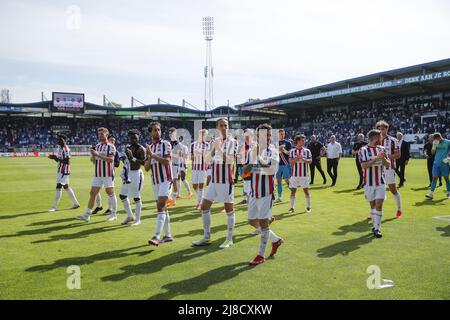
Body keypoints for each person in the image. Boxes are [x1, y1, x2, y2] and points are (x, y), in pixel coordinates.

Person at [192, 118, 238, 249]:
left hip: (225, 180)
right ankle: (206, 237)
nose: (224, 127)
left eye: (226, 125)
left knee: (229, 209)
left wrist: (218, 149)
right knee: (204, 207)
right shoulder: (215, 141)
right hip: (214, 180)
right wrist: (212, 150)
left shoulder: (233, 142)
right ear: (217, 127)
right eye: (221, 125)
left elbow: (230, 161)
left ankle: (229, 239)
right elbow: (207, 159)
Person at [244, 123, 284, 265]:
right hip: (254, 192)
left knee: (263, 223)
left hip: (266, 192)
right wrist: (252, 164)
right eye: (262, 134)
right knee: (251, 221)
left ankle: (260, 255)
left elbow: (271, 170)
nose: (266, 137)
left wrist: (257, 161)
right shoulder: (251, 151)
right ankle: (276, 240)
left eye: (268, 134)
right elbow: (245, 170)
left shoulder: (272, 150)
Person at [76, 127, 117, 222]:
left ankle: (114, 214)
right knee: (92, 193)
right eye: (99, 134)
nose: (100, 135)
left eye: (102, 134)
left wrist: (97, 154)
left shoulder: (111, 146)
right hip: (98, 174)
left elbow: (111, 160)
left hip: (107, 174)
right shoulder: (97, 146)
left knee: (110, 193)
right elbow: (94, 161)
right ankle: (87, 214)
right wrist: (93, 156)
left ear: (107, 135)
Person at [144, 122, 174, 246]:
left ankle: (156, 236)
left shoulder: (166, 144)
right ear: (151, 132)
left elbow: (167, 161)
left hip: (166, 179)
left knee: (160, 205)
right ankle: (168, 235)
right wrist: (149, 157)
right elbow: (146, 168)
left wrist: (153, 155)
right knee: (163, 208)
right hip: (155, 181)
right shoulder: (150, 147)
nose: (157, 132)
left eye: (159, 130)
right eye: (155, 130)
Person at [359, 129, 391, 238]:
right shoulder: (363, 150)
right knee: (372, 205)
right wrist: (376, 158)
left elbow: (388, 165)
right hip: (368, 182)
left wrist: (383, 159)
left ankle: (377, 229)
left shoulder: (382, 149)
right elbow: (364, 166)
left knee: (379, 204)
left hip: (380, 182)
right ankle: (374, 225)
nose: (382, 138)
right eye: (380, 136)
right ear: (375, 138)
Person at [118, 129, 146, 226]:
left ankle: (138, 219)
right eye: (131, 138)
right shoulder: (128, 147)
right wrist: (123, 158)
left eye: (135, 137)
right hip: (128, 173)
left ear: (138, 138)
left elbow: (144, 162)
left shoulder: (141, 149)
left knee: (136, 197)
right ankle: (130, 216)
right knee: (122, 195)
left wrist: (132, 158)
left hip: (137, 174)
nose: (133, 139)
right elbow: (126, 160)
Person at [377, 121, 403, 218]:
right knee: (376, 189)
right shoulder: (375, 140)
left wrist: (386, 156)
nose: (380, 131)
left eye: (382, 129)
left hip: (389, 167)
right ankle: (374, 211)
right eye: (379, 129)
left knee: (392, 189)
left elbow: (398, 155)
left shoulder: (393, 140)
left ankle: (399, 209)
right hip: (377, 168)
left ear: (387, 129)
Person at [48, 134, 80, 211]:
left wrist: (56, 158)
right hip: (60, 169)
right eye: (58, 139)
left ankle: (54, 207)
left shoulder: (66, 149)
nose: (59, 141)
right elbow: (59, 159)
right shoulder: (59, 148)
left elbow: (68, 161)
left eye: (61, 140)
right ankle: (76, 204)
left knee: (58, 186)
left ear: (65, 141)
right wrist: (53, 158)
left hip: (64, 170)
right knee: (66, 187)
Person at [92, 134, 120, 215]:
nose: (112, 142)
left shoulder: (115, 151)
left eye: (114, 141)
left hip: (109, 173)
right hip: (100, 172)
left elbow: (117, 164)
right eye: (111, 140)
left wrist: (106, 159)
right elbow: (94, 161)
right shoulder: (100, 147)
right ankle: (99, 205)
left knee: (109, 192)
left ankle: (110, 208)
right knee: (95, 191)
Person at [288, 134, 312, 213]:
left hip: (304, 175)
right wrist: (297, 159)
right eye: (302, 140)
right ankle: (292, 207)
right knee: (293, 191)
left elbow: (310, 161)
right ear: (298, 141)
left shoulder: (307, 151)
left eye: (304, 140)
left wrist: (303, 159)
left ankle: (308, 207)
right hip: (294, 175)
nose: (304, 142)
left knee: (306, 190)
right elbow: (290, 162)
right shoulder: (292, 151)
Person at [426, 132, 450, 200]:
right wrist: (434, 147)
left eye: (435, 139)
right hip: (436, 163)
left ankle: (448, 192)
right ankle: (431, 193)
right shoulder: (435, 142)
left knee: (446, 178)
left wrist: (448, 157)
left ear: (439, 137)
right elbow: (432, 153)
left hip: (444, 163)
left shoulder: (448, 142)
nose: (435, 141)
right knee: (434, 178)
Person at [191, 129, 210, 210]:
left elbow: (208, 156)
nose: (202, 136)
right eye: (201, 134)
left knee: (201, 185)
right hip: (195, 168)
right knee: (195, 186)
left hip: (203, 168)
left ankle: (199, 203)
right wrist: (194, 156)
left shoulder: (207, 145)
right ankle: (202, 198)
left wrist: (203, 155)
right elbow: (191, 157)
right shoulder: (193, 144)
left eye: (204, 135)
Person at [275, 129, 292, 202]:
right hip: (277, 165)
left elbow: (291, 153)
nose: (282, 135)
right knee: (279, 181)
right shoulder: (274, 143)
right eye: (280, 134)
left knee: (287, 181)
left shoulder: (288, 143)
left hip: (285, 164)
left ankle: (293, 194)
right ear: (278, 134)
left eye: (283, 134)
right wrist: (278, 151)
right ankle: (279, 197)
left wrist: (284, 150)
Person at [238, 129, 253, 205]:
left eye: (248, 136)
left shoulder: (255, 145)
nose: (246, 138)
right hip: (245, 170)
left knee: (252, 192)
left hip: (254, 172)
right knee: (248, 190)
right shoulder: (242, 146)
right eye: (245, 136)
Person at [167, 128, 180, 207]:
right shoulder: (168, 143)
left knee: (174, 180)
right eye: (169, 133)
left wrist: (171, 154)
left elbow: (179, 155)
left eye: (172, 133)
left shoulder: (177, 143)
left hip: (175, 164)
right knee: (169, 180)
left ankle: (174, 200)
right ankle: (169, 198)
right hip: (169, 164)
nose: (170, 135)